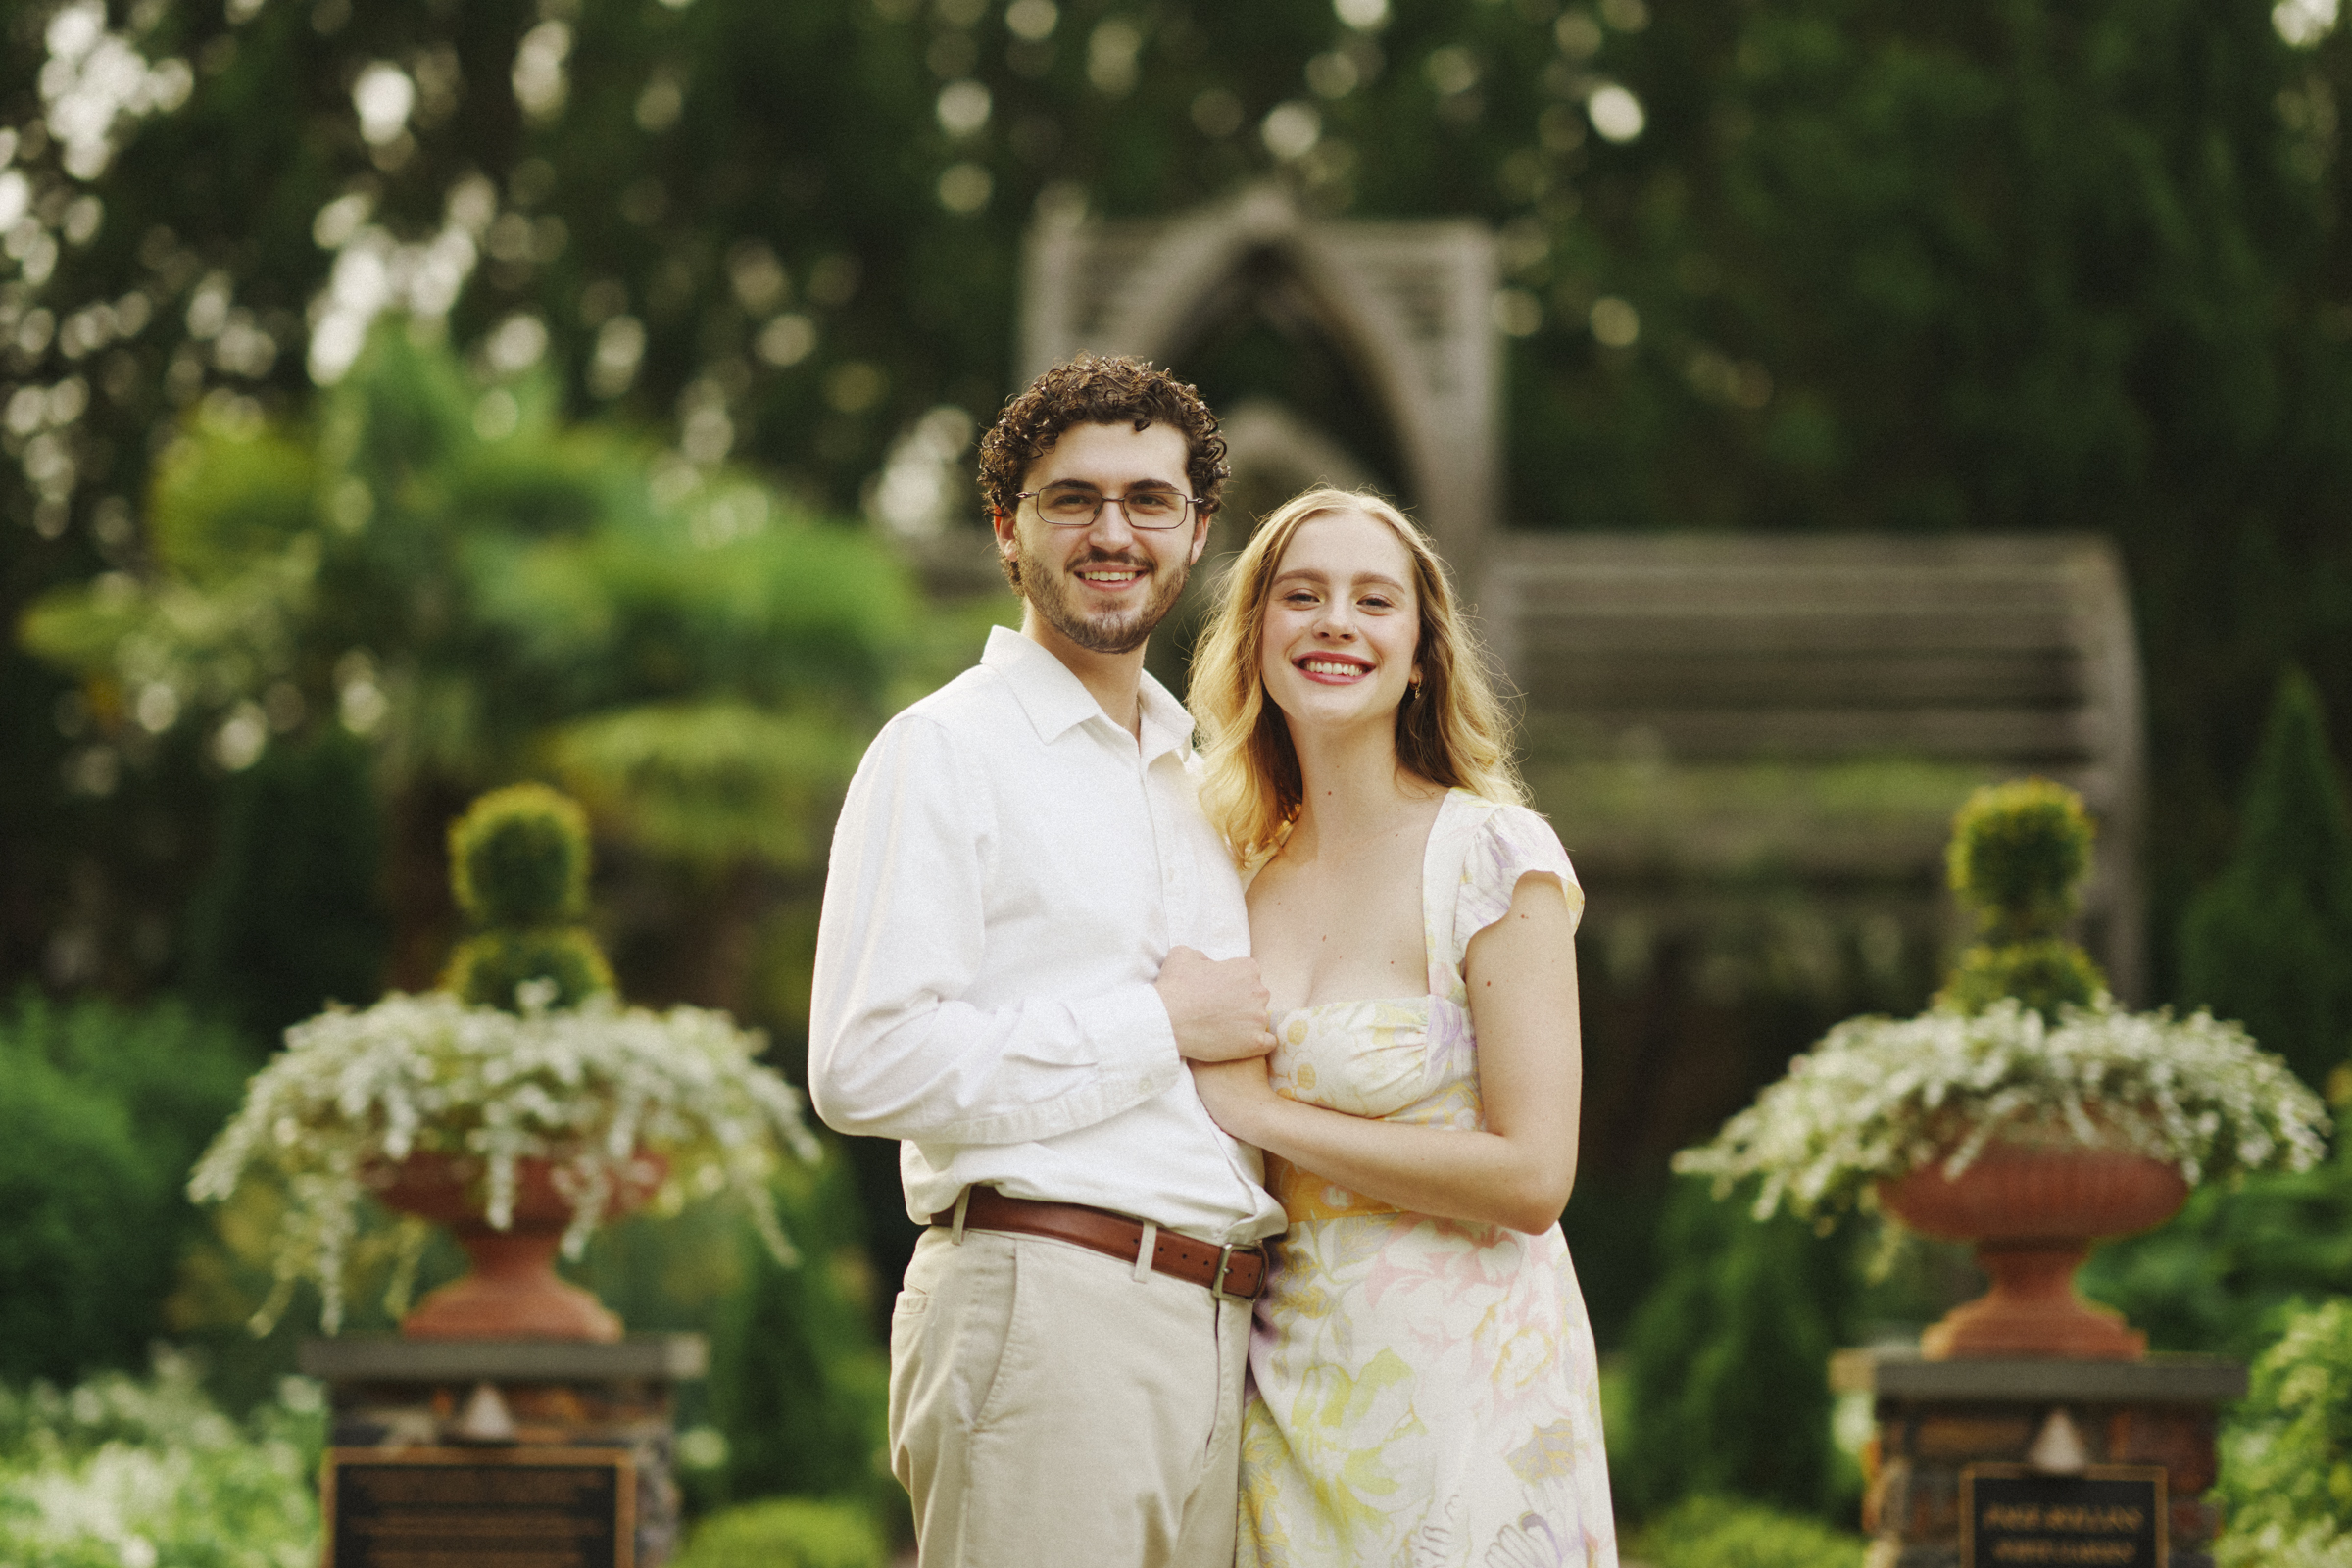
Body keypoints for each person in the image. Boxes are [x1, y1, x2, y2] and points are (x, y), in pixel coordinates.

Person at [807, 355, 1288, 1568]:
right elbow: (864, 1064)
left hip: (1229, 1332)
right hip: (1046, 1306)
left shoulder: (1205, 778)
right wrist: (1153, 1022)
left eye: (1147, 502)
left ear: (1196, 531)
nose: (1112, 532)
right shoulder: (944, 751)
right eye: (1072, 499)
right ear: (1007, 529)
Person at [1185, 486, 1619, 1567]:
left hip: (1469, 1396)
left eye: (1374, 600)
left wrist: (1260, 1110)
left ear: (1421, 654)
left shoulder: (1492, 855)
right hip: (1282, 1391)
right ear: (1257, 636)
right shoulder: (1226, 873)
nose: (1336, 621)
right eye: (1303, 595)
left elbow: (1533, 1177)